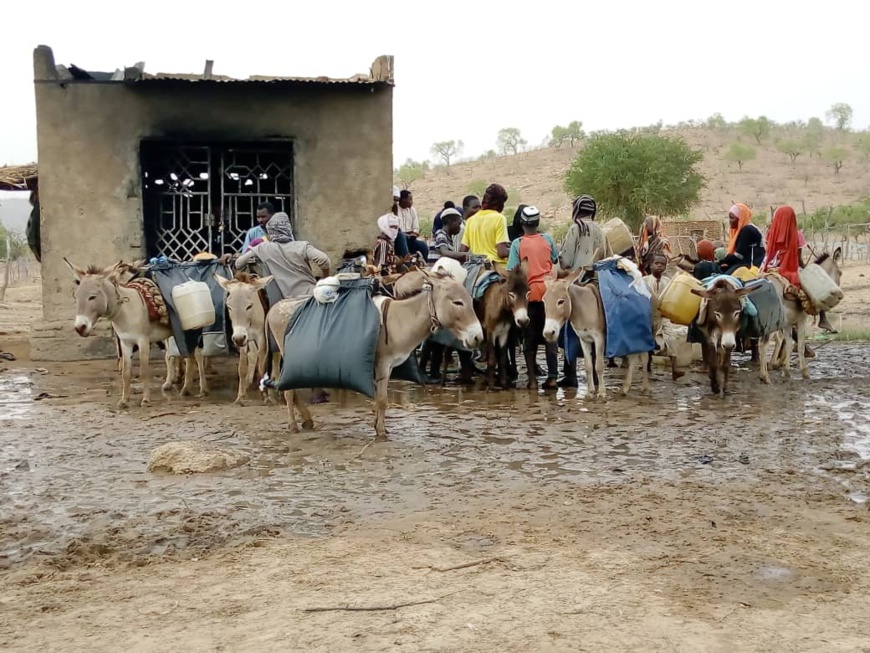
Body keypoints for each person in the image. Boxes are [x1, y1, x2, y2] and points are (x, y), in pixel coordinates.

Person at [507, 205, 560, 390]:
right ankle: (553, 378)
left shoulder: (517, 243)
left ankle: (532, 380)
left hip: (529, 295)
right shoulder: (547, 239)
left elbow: (513, 269)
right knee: (551, 336)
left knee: (529, 338)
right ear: (538, 223)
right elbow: (554, 259)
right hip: (549, 293)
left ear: (522, 223)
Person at [234, 212, 329, 298]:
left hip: (283, 300)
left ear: (270, 231)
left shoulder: (263, 248)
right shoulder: (302, 246)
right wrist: (324, 279)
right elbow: (324, 260)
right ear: (288, 229)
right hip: (309, 296)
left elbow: (239, 263)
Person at [559, 194, 612, 274]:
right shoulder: (600, 230)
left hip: (577, 278)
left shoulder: (575, 229)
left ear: (576, 210)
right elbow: (609, 259)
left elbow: (566, 261)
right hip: (597, 279)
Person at [459, 183, 510, 265]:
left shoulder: (470, 220)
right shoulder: (499, 218)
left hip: (476, 267)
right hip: (495, 267)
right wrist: (516, 250)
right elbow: (502, 253)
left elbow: (462, 251)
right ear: (499, 203)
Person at [760, 205, 801, 287]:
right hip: (790, 271)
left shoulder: (771, 234)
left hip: (768, 267)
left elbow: (768, 254)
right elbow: (799, 260)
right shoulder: (798, 236)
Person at [719, 203, 765, 274]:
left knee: (723, 277)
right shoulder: (746, 229)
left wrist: (720, 262)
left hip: (751, 265)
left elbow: (738, 256)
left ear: (740, 219)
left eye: (732, 218)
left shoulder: (747, 230)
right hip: (745, 263)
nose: (729, 221)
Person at [397, 190, 429, 261]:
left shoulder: (412, 210)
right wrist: (407, 234)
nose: (412, 202)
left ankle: (426, 263)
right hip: (400, 238)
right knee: (401, 235)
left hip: (410, 238)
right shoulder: (396, 209)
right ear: (403, 199)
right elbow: (397, 230)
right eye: (410, 200)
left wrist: (414, 234)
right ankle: (407, 262)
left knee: (423, 245)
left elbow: (416, 228)